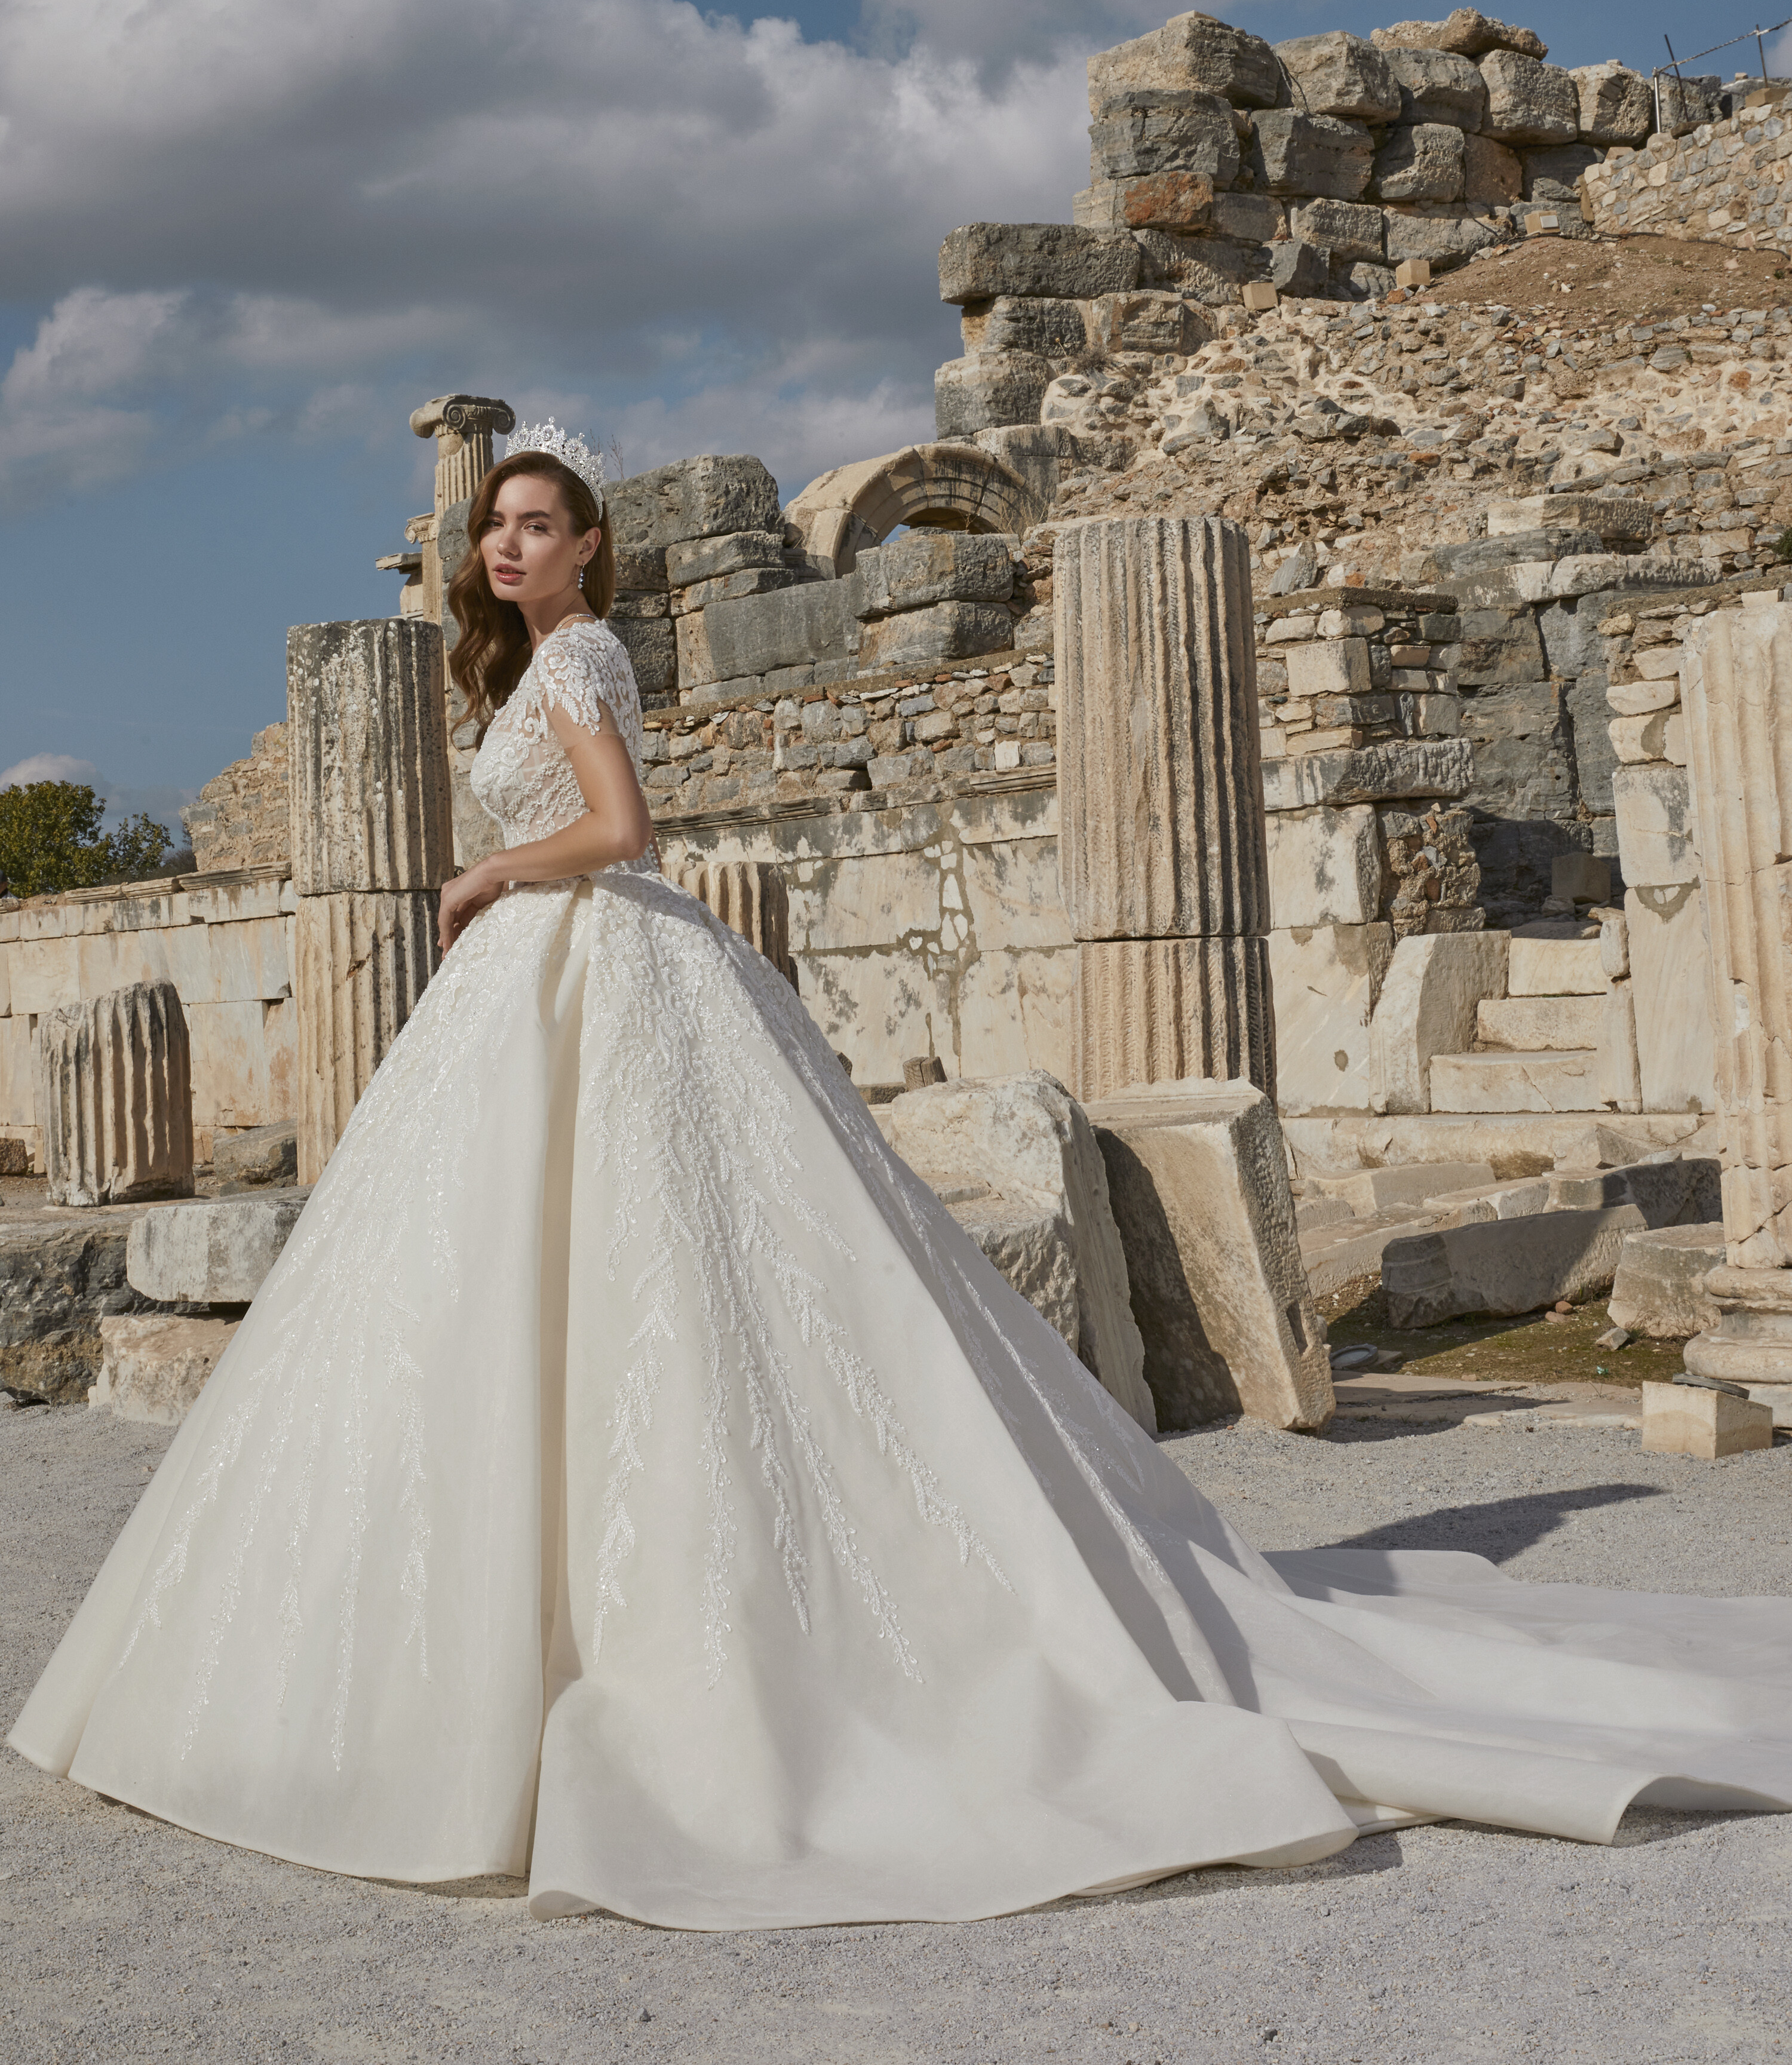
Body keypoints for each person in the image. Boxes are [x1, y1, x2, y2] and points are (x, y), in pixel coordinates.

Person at [10, 421, 1792, 1929]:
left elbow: (626, 833)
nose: (507, 545)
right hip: (537, 993)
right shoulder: (517, 665)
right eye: (495, 526)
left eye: (536, 524)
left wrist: (487, 876)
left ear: (590, 546)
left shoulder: (585, 659)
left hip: (586, 951)